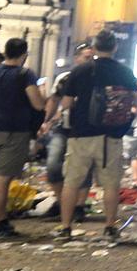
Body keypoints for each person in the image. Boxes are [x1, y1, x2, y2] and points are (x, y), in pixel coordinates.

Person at [54, 28, 137, 239]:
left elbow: (66, 103)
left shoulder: (81, 70)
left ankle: (65, 227)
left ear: (94, 47)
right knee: (111, 184)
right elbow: (134, 102)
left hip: (81, 133)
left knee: (72, 182)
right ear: (115, 47)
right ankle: (110, 226)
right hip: (112, 136)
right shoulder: (125, 72)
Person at [0, 38, 45, 240]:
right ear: (24, 54)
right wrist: (44, 97)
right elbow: (37, 104)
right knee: (3, 179)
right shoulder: (25, 74)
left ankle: (0, 220)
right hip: (13, 131)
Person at [40, 42, 94, 223]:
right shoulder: (64, 78)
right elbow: (54, 99)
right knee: (53, 166)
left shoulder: (97, 76)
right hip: (63, 127)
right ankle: (63, 202)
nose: (90, 60)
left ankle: (78, 206)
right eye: (86, 57)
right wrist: (46, 121)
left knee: (84, 169)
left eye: (92, 57)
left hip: (86, 129)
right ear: (77, 58)